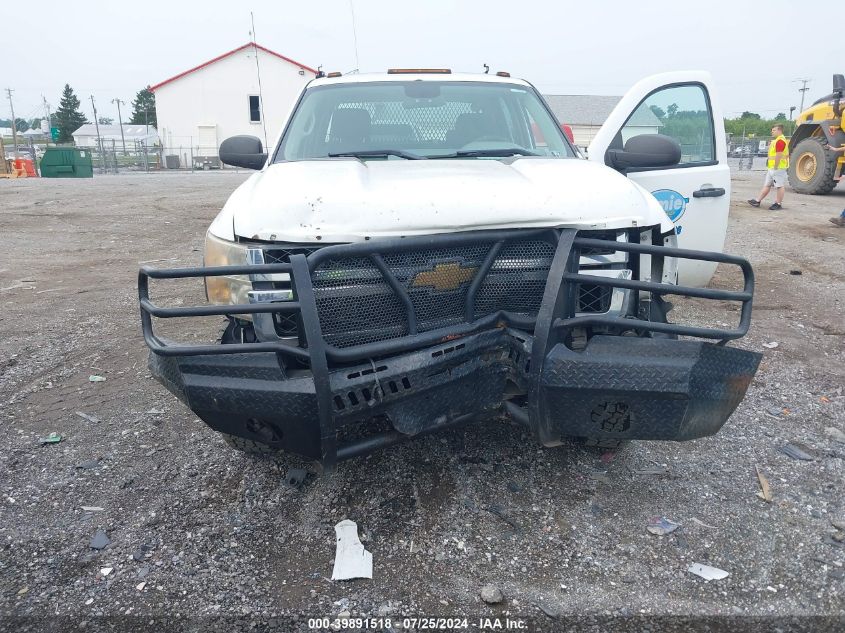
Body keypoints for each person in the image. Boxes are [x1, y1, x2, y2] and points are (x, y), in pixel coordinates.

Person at [748, 124, 789, 210]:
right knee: (767, 184)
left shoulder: (780, 141)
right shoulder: (777, 140)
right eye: (772, 130)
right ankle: (757, 201)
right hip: (772, 168)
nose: (772, 132)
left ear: (779, 130)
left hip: (778, 168)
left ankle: (778, 203)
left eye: (774, 130)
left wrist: (776, 166)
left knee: (779, 185)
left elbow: (778, 155)